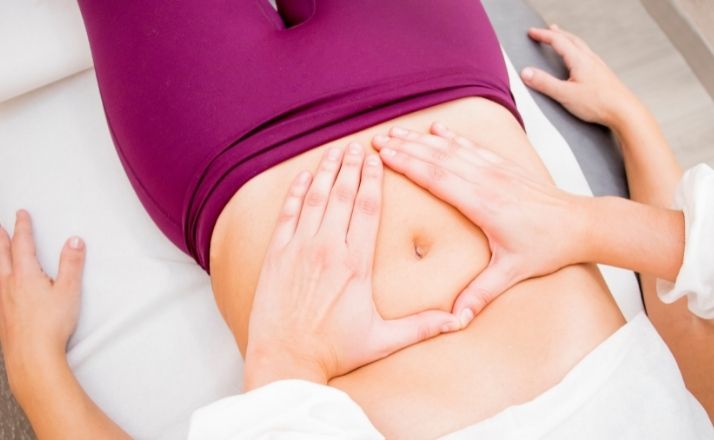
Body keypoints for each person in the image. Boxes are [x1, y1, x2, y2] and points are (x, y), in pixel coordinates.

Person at [0, 1, 711, 436]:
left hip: (238, 148)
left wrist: (37, 374)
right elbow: (693, 349)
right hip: (442, 78)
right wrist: (606, 175)